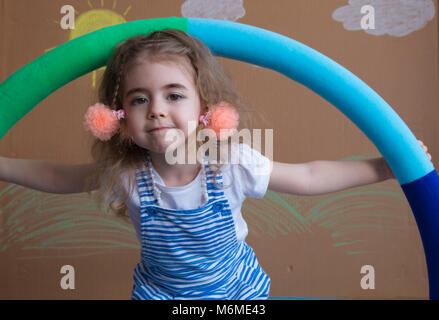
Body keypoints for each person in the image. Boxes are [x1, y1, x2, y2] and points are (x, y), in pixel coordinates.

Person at [0, 29, 432, 300]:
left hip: (236, 290)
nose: (156, 110)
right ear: (116, 117)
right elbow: (56, 175)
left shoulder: (231, 164)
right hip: (160, 294)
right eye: (138, 99)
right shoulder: (126, 176)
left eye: (174, 94)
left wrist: (386, 166)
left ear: (206, 108)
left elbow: (309, 175)